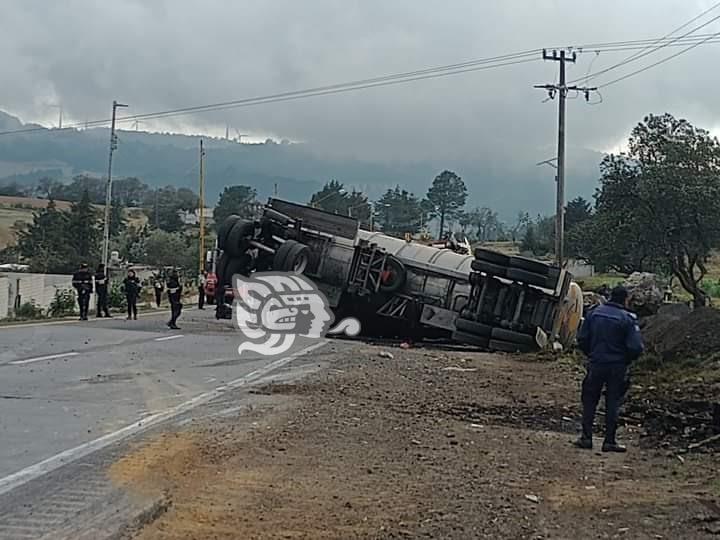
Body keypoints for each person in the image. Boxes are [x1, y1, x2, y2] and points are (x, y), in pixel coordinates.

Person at [575, 285, 644, 452]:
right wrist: (626, 360)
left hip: (596, 363)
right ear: (626, 299)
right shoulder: (627, 319)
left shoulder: (594, 313)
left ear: (610, 296)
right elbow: (636, 347)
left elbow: (582, 338)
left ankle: (586, 438)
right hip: (617, 367)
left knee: (590, 400)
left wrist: (592, 354)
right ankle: (609, 441)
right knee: (613, 402)